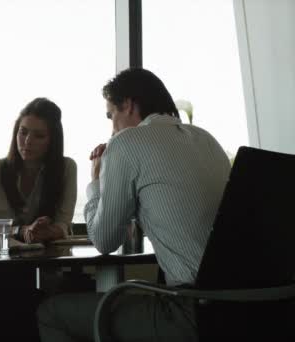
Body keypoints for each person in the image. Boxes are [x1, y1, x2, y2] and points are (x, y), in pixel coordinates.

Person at [37, 68, 231, 342]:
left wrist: (96, 182)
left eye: (111, 115)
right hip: (245, 307)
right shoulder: (207, 140)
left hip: (193, 312)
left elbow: (104, 241)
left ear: (127, 104)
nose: (111, 128)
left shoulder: (126, 143)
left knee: (51, 314)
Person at [0, 97, 77, 244]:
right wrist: (21, 231)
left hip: (46, 259)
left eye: (39, 136)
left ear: (52, 141)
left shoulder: (67, 168)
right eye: (23, 132)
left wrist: (48, 231)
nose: (28, 141)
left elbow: (64, 223)